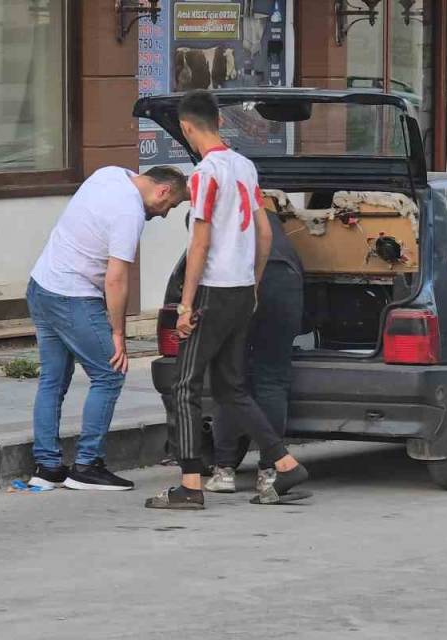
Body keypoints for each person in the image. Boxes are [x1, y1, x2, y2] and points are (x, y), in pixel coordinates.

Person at [146, 90, 310, 510]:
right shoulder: (244, 166)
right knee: (232, 388)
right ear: (219, 121)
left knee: (185, 386)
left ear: (186, 127)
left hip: (213, 291)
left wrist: (185, 306)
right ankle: (285, 463)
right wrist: (253, 286)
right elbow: (266, 233)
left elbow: (199, 243)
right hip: (241, 289)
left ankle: (190, 486)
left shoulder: (205, 174)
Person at [27, 165, 189, 491]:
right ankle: (87, 465)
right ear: (162, 192)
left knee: (53, 379)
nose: (165, 215)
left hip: (41, 286)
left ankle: (47, 467)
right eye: (170, 206)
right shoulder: (129, 213)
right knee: (110, 372)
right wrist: (118, 334)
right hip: (72, 296)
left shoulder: (111, 174)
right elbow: (116, 279)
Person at [203, 205, 304, 496]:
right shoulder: (270, 219)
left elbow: (204, 257)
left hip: (236, 286)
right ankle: (269, 472)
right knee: (271, 380)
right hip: (283, 284)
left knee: (230, 382)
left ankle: (224, 471)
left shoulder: (211, 212)